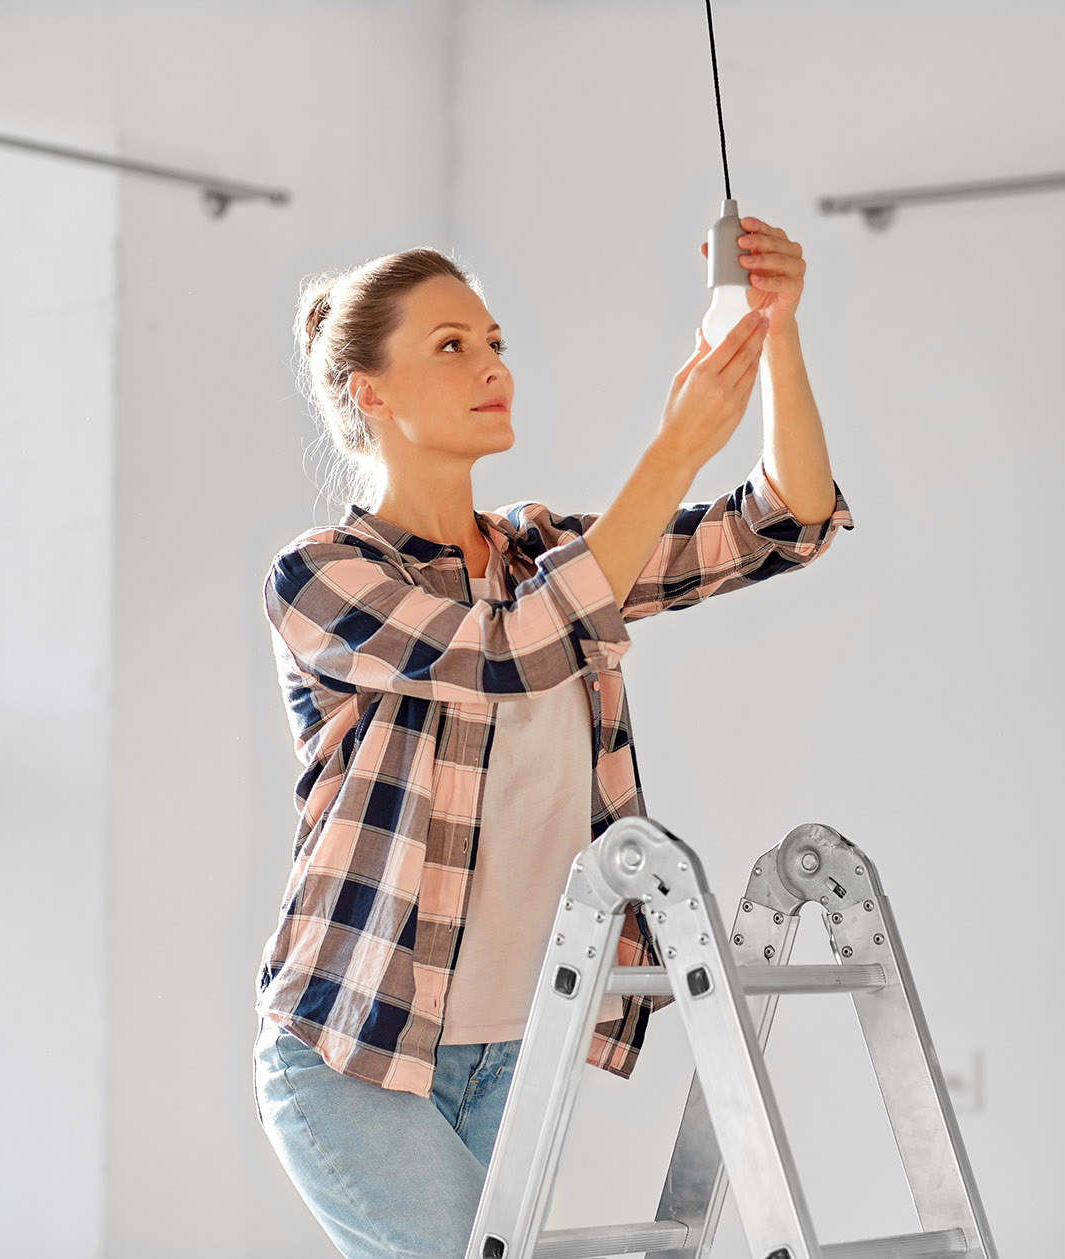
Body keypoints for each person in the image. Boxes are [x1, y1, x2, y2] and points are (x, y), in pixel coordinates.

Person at [252, 217, 853, 1256]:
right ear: (370, 392)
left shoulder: (545, 551)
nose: (493, 365)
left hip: (514, 1047)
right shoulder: (321, 575)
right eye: (451, 345)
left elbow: (783, 523)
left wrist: (776, 332)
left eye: (494, 342)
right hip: (353, 1053)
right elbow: (507, 650)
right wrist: (673, 447)